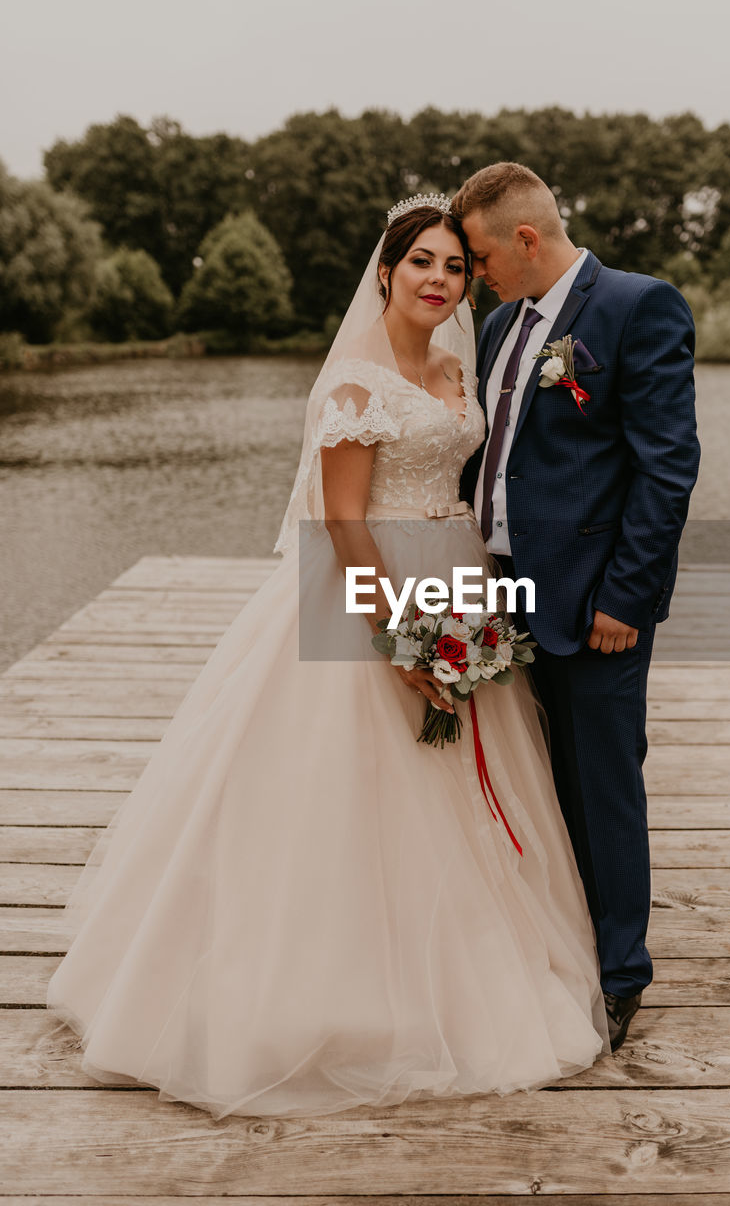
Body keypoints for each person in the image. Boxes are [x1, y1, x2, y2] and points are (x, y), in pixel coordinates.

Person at [45, 195, 608, 1120]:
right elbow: (342, 519)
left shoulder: (459, 368)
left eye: (455, 267)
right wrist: (393, 640)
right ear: (384, 273)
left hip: (455, 582)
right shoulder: (353, 383)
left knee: (465, 787)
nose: (439, 279)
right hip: (368, 592)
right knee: (348, 798)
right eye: (421, 261)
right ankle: (333, 996)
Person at [452, 163, 701, 1052]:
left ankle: (621, 975)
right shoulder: (494, 327)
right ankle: (554, 946)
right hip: (503, 596)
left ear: (525, 240)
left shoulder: (638, 307)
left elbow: (666, 469)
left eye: (480, 256)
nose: (473, 275)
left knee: (602, 788)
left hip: (596, 603)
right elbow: (490, 461)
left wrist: (626, 597)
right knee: (530, 783)